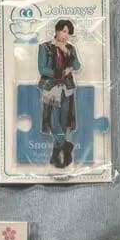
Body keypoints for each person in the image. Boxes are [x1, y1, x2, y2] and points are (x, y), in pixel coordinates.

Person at [38, 19, 82, 169]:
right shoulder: (45, 47)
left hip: (67, 89)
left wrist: (66, 52)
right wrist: (61, 73)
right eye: (63, 31)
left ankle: (57, 154)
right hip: (51, 88)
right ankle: (66, 145)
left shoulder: (70, 48)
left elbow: (77, 66)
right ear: (57, 31)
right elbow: (42, 69)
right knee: (52, 122)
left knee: (64, 122)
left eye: (68, 33)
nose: (66, 35)